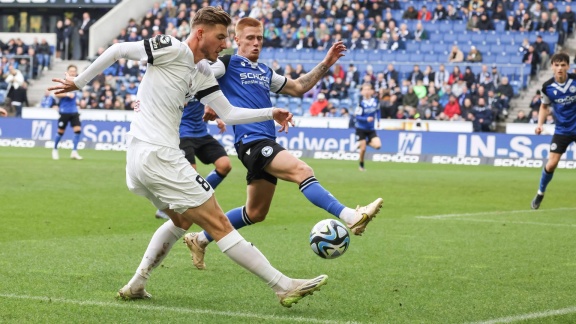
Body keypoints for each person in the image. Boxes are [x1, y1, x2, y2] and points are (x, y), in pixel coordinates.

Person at [48, 7, 327, 307]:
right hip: (160, 156)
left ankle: (136, 284)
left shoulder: (203, 71)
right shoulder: (173, 48)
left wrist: (270, 112)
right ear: (200, 33)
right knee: (219, 223)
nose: (224, 44)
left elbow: (229, 113)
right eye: (220, 37)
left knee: (181, 220)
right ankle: (283, 285)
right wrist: (80, 81)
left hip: (140, 159)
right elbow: (117, 50)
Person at [183, 17, 383, 271]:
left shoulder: (264, 71)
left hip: (263, 141)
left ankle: (199, 239)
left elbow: (298, 87)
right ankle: (351, 216)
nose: (256, 43)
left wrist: (326, 63)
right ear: (237, 40)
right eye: (250, 38)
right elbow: (198, 77)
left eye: (260, 38)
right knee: (303, 171)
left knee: (255, 213)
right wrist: (209, 104)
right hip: (251, 142)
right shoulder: (227, 64)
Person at [154, 97, 232, 220]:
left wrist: (216, 117)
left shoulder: (203, 83)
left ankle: (200, 198)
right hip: (183, 134)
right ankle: (168, 207)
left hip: (202, 133)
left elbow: (209, 104)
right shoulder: (181, 84)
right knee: (190, 175)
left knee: (224, 165)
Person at [531, 52, 576, 210]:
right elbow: (544, 107)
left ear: (568, 67)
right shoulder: (547, 87)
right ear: (552, 67)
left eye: (563, 65)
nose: (560, 68)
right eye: (556, 65)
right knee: (551, 165)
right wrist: (540, 124)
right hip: (562, 130)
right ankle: (540, 193)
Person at [52, 64, 83, 160]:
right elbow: (56, 94)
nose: (73, 72)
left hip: (74, 110)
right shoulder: (64, 82)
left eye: (74, 71)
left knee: (78, 131)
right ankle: (55, 149)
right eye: (71, 71)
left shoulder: (78, 83)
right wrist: (67, 94)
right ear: (68, 72)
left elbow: (78, 96)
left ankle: (74, 152)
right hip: (64, 111)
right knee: (61, 132)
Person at [355, 83, 382, 171]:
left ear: (371, 91)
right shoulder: (361, 103)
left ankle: (365, 142)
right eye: (365, 89)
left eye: (368, 89)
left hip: (371, 128)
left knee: (378, 146)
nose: (366, 91)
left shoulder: (375, 101)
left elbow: (378, 111)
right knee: (363, 150)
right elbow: (357, 117)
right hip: (361, 128)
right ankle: (361, 166)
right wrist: (366, 119)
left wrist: (378, 120)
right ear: (362, 92)